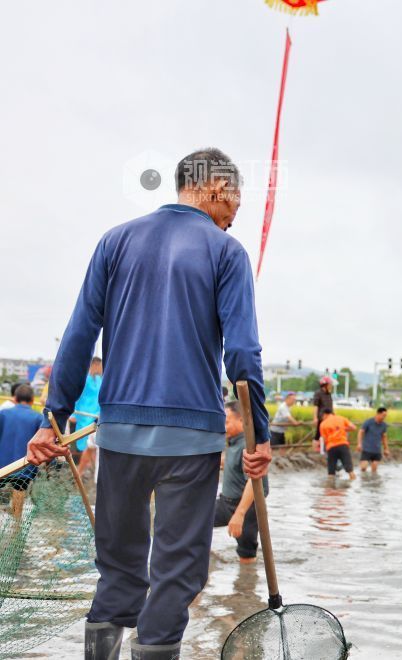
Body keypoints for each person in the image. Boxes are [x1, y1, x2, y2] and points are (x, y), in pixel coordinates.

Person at [26, 148, 272, 660]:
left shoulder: (115, 241)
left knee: (118, 569)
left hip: (119, 434)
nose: (232, 220)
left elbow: (78, 335)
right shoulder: (227, 254)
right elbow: (243, 353)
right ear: (217, 189)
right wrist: (260, 437)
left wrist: (54, 419)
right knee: (176, 575)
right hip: (192, 441)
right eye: (235, 207)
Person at [213, 401, 268, 563]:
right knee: (196, 520)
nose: (224, 425)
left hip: (247, 507)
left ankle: (246, 585)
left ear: (242, 421)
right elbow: (230, 462)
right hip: (225, 502)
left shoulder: (248, 446)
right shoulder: (233, 441)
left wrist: (239, 514)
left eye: (227, 421)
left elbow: (254, 480)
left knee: (246, 557)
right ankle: (204, 561)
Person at [0, 384, 43, 518]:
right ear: (31, 400)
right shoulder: (38, 417)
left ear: (15, 399)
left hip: (2, 465)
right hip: (23, 465)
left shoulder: (3, 414)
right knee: (19, 491)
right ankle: (17, 528)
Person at [71, 357, 102, 474]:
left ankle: (88, 470)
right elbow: (76, 396)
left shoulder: (100, 379)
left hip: (97, 415)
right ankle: (82, 471)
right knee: (87, 444)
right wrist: (73, 413)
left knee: (92, 445)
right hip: (84, 415)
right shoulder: (83, 379)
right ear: (94, 365)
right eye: (99, 365)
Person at [318, 407, 357, 479]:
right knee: (350, 470)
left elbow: (324, 439)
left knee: (331, 472)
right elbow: (353, 427)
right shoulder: (341, 418)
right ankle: (352, 487)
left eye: (322, 416)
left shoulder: (322, 424)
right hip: (343, 445)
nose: (322, 418)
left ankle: (330, 488)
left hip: (331, 447)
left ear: (325, 414)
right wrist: (343, 429)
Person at [358, 407, 390, 473]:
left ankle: (373, 483)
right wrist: (359, 444)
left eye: (385, 416)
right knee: (363, 468)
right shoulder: (368, 422)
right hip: (367, 449)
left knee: (374, 471)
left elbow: (384, 437)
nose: (384, 417)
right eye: (383, 415)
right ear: (378, 414)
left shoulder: (384, 425)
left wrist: (386, 449)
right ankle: (363, 482)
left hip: (377, 450)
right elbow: (360, 432)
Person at [312, 376, 335, 445]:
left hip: (330, 417)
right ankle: (316, 450)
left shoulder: (329, 394)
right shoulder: (318, 393)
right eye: (329, 384)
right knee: (318, 434)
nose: (331, 386)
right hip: (322, 417)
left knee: (328, 434)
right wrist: (315, 417)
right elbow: (316, 406)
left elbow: (330, 405)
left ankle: (324, 449)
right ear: (325, 385)